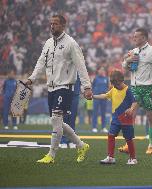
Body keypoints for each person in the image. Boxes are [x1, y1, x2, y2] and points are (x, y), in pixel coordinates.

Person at [25, 15, 92, 163]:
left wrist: (87, 86)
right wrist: (32, 78)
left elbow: (81, 65)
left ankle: (51, 155)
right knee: (58, 122)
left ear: (63, 25)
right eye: (51, 23)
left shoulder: (71, 44)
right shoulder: (48, 43)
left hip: (65, 87)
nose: (52, 26)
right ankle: (81, 145)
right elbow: (40, 62)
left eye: (55, 23)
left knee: (56, 119)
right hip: (51, 87)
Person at [121, 28, 152, 154]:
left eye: (136, 36)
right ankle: (128, 145)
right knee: (130, 115)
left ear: (144, 38)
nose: (134, 38)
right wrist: (128, 60)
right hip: (134, 88)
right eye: (133, 36)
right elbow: (124, 66)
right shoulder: (133, 51)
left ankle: (151, 145)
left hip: (148, 88)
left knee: (150, 117)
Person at [93, 71, 138, 165]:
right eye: (113, 83)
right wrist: (93, 96)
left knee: (128, 139)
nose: (115, 85)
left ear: (122, 80)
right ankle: (110, 157)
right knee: (111, 135)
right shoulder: (113, 89)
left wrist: (131, 109)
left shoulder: (128, 90)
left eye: (116, 83)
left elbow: (135, 101)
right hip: (116, 119)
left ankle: (133, 158)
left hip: (126, 119)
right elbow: (105, 96)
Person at [60, 76, 81, 149]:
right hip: (64, 93)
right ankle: (63, 140)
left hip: (75, 95)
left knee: (72, 119)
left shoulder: (79, 67)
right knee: (65, 118)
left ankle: (72, 140)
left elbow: (83, 78)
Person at [92, 66, 109, 133]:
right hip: (96, 97)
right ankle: (94, 127)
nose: (102, 71)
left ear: (104, 71)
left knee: (103, 113)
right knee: (95, 113)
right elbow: (92, 87)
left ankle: (103, 127)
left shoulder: (106, 79)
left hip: (104, 98)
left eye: (103, 70)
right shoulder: (95, 78)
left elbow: (108, 87)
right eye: (100, 70)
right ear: (98, 71)